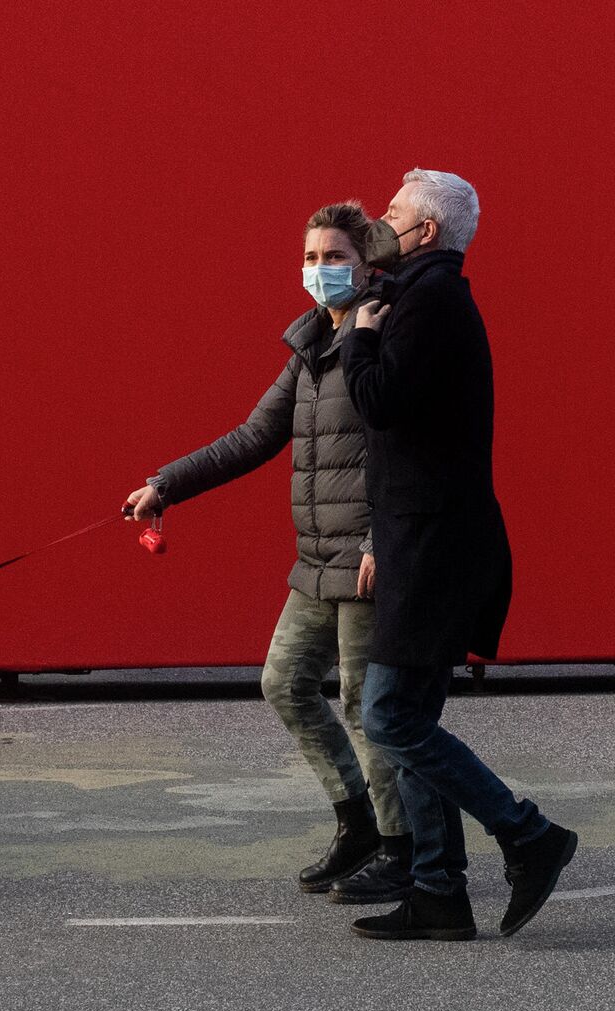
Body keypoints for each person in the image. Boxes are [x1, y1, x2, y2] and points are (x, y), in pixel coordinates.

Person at [124, 202, 411, 903]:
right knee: (283, 685)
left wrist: (381, 539)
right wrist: (166, 484)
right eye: (312, 258)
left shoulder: (381, 338)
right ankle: (358, 824)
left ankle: (401, 847)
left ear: (366, 262)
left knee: (362, 705)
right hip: (316, 558)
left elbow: (407, 450)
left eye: (335, 257)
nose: (320, 271)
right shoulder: (312, 346)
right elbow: (252, 438)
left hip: (366, 560)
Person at [341, 168, 576, 940]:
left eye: (393, 212)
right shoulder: (421, 295)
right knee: (410, 716)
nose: (379, 220)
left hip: (435, 546)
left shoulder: (430, 302)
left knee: (391, 718)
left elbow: (379, 401)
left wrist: (360, 337)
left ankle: (530, 835)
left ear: (426, 231)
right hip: (426, 539)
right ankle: (439, 890)